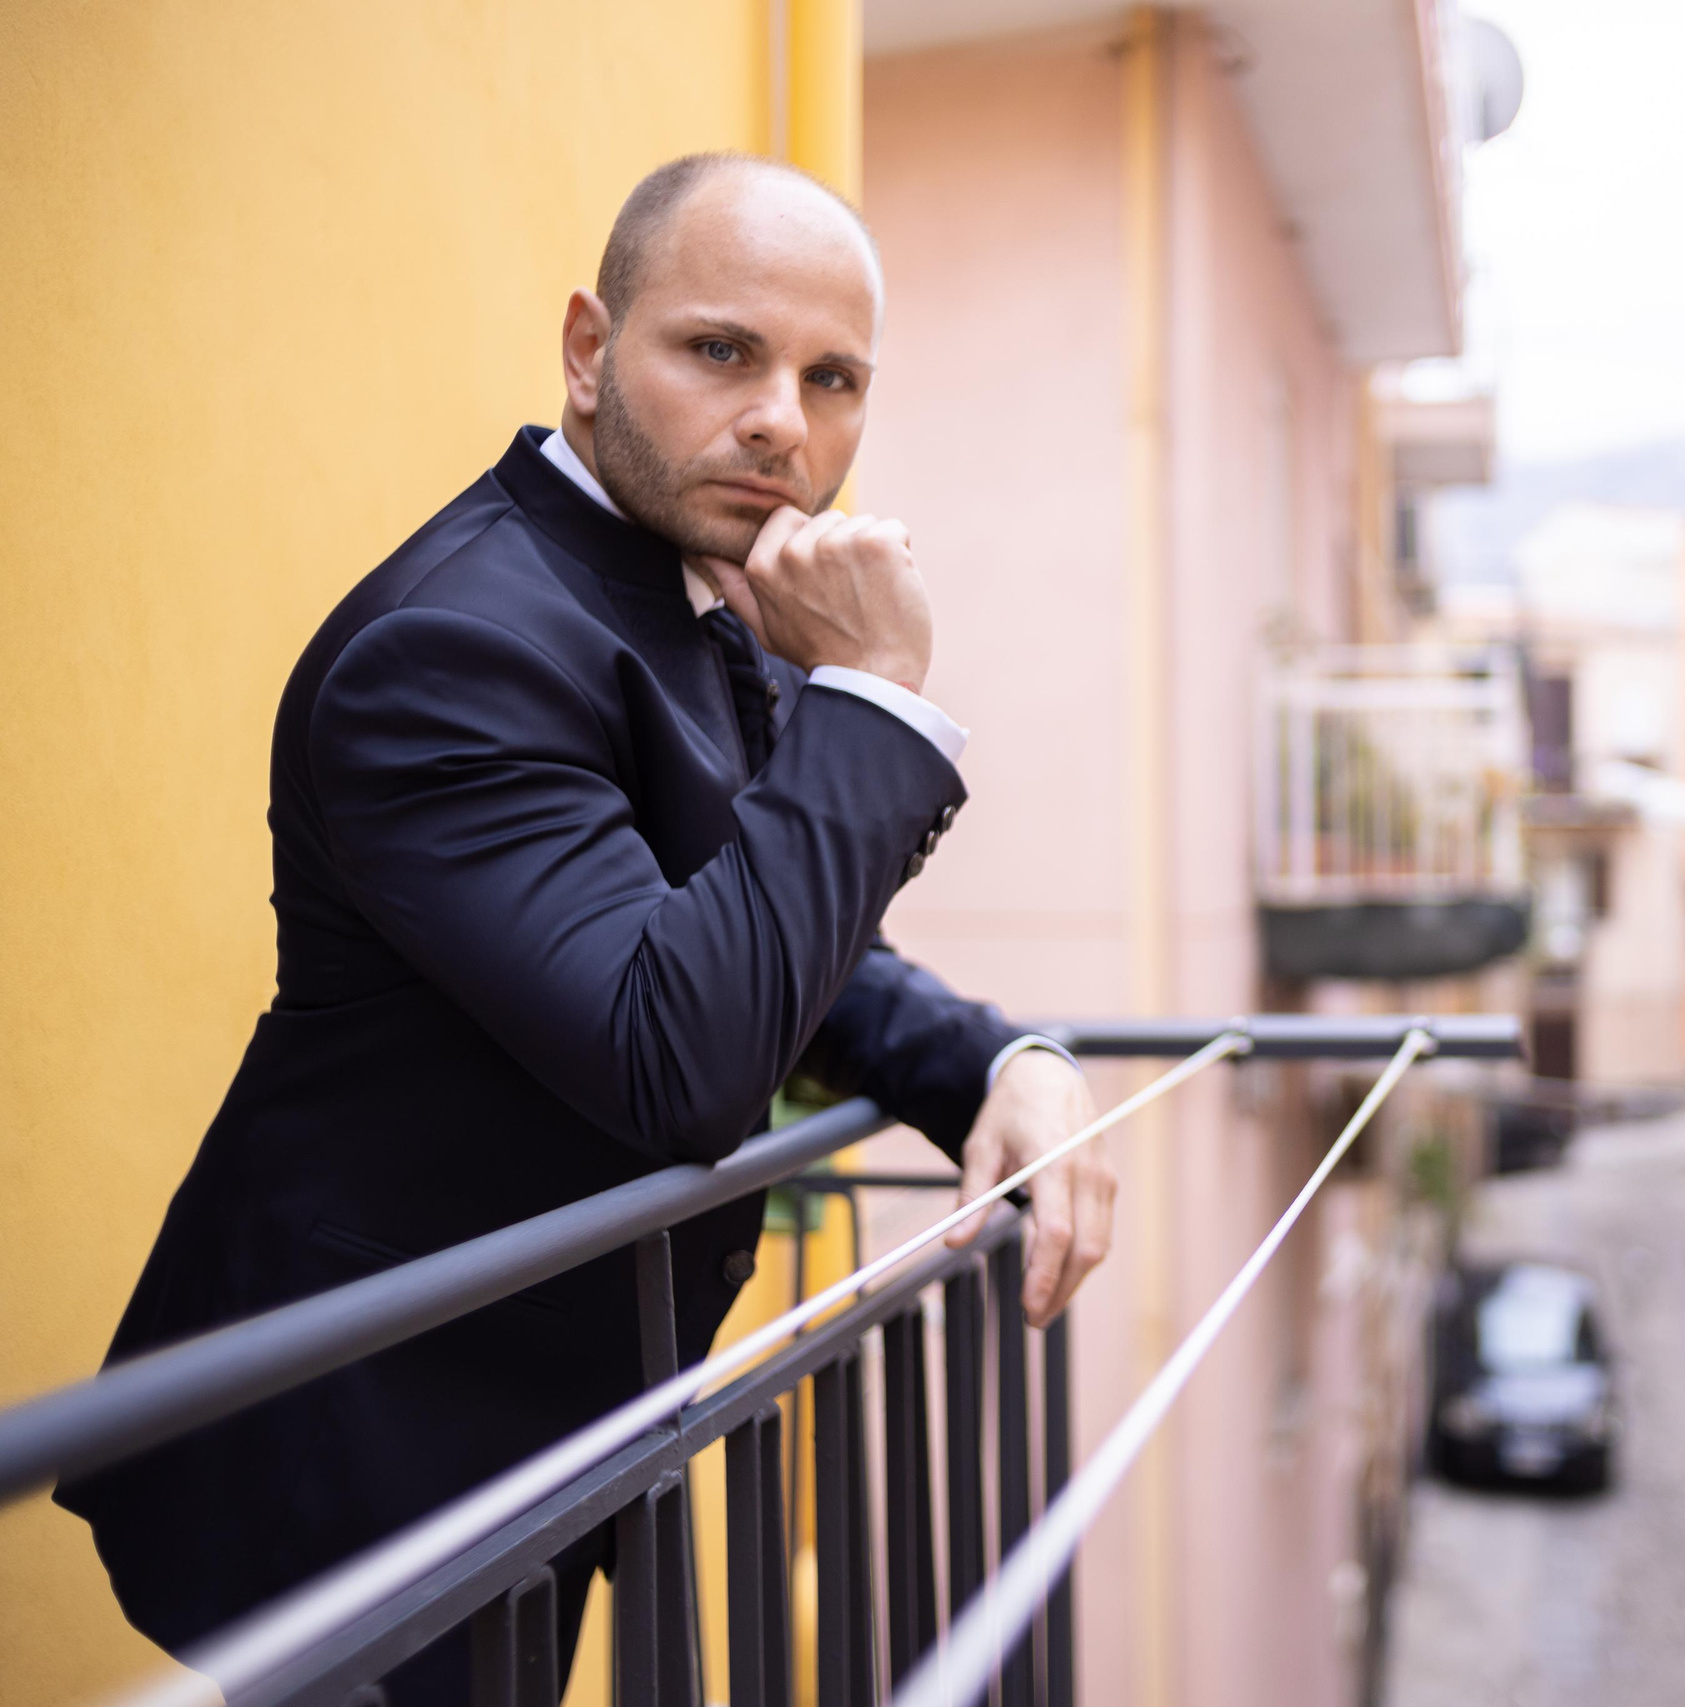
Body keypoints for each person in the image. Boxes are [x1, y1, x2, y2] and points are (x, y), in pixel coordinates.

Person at [55, 152, 1114, 1699]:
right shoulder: (454, 648)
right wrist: (876, 699)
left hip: (547, 1419)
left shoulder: (703, 594)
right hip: (360, 1448)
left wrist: (999, 1062)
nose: (783, 422)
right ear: (586, 350)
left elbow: (767, 945)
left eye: (832, 379)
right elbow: (677, 1052)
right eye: (721, 350)